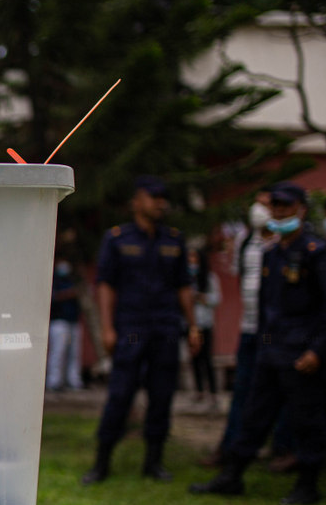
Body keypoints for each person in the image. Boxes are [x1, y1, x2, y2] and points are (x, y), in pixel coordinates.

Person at [190, 182, 326, 505]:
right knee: (253, 415)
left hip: (301, 353)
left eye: (285, 207)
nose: (278, 212)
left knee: (307, 419)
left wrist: (317, 351)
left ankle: (308, 484)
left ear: (301, 209)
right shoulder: (272, 253)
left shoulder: (316, 252)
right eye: (275, 206)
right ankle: (232, 476)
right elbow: (265, 308)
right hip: (270, 350)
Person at [82, 176, 201, 484]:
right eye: (153, 197)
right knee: (120, 395)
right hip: (131, 328)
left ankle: (154, 461)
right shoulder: (118, 238)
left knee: (162, 396)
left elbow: (183, 286)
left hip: (165, 327)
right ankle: (101, 462)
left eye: (163, 198)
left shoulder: (174, 239)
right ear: (137, 201)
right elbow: (105, 285)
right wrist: (107, 328)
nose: (160, 203)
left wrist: (193, 325)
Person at [200, 193, 273, 467]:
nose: (259, 210)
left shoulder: (287, 241)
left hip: (278, 331)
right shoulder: (244, 242)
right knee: (242, 390)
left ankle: (282, 450)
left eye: (266, 204)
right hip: (250, 328)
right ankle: (230, 449)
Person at [188, 247, 222, 412]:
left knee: (206, 358)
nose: (192, 261)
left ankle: (213, 393)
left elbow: (217, 299)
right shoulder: (186, 278)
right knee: (194, 358)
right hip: (189, 324)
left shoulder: (209, 278)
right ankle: (198, 391)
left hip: (205, 323)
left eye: (194, 257)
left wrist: (200, 297)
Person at [46, 254, 84, 391]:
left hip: (73, 321)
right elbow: (52, 298)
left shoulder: (72, 279)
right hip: (58, 321)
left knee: (74, 353)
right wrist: (69, 294)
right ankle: (54, 382)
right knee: (58, 352)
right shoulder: (53, 279)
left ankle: (74, 381)